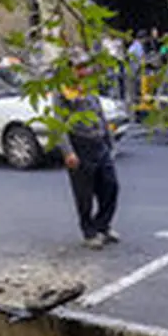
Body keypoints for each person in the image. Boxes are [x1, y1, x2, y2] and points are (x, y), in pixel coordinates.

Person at [56, 51, 120, 249]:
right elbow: (58, 124)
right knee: (84, 194)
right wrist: (68, 151)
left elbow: (99, 113)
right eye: (80, 67)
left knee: (110, 186)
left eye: (86, 66)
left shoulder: (88, 87)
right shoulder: (62, 92)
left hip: (99, 143)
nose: (85, 71)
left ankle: (103, 225)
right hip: (80, 146)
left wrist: (109, 141)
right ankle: (89, 232)